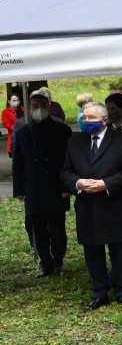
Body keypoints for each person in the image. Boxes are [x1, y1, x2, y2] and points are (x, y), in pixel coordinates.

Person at [61, 102, 122, 311]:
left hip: (115, 203)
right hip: (87, 205)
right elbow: (65, 172)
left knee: (120, 250)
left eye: (92, 118)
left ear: (105, 120)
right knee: (92, 250)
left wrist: (107, 184)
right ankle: (100, 292)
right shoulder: (75, 142)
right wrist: (78, 183)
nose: (87, 121)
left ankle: (121, 290)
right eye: (84, 118)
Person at [12, 91, 72, 277]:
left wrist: (67, 186)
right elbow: (18, 163)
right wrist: (19, 189)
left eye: (42, 106)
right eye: (35, 106)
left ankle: (58, 261)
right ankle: (45, 262)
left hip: (56, 184)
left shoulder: (62, 130)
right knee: (37, 227)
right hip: (33, 186)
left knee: (57, 227)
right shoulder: (22, 132)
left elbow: (68, 160)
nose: (39, 109)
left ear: (49, 106)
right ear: (29, 109)